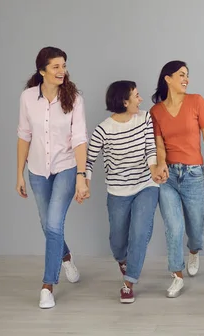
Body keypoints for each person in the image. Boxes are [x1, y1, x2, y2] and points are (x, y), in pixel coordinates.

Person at [16, 46, 89, 309]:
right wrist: (19, 174)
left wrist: (81, 175)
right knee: (48, 224)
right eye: (56, 66)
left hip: (67, 168)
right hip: (37, 171)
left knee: (55, 224)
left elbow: (80, 139)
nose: (62, 71)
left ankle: (47, 285)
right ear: (42, 71)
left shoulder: (74, 98)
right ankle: (66, 256)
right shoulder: (27, 98)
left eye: (64, 65)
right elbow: (24, 135)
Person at [150, 60, 204, 298]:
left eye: (187, 75)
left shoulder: (196, 101)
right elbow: (159, 146)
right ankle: (176, 274)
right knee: (174, 227)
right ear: (168, 78)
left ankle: (194, 251)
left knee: (195, 229)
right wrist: (161, 164)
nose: (186, 79)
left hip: (193, 174)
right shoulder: (156, 112)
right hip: (168, 177)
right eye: (181, 75)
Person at [85, 81, 165, 304]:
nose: (141, 100)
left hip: (146, 185)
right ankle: (122, 259)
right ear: (124, 101)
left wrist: (154, 170)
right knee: (118, 240)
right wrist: (85, 184)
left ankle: (128, 282)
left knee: (140, 232)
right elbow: (88, 160)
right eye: (136, 96)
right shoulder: (103, 130)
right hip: (118, 190)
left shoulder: (145, 118)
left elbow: (151, 148)